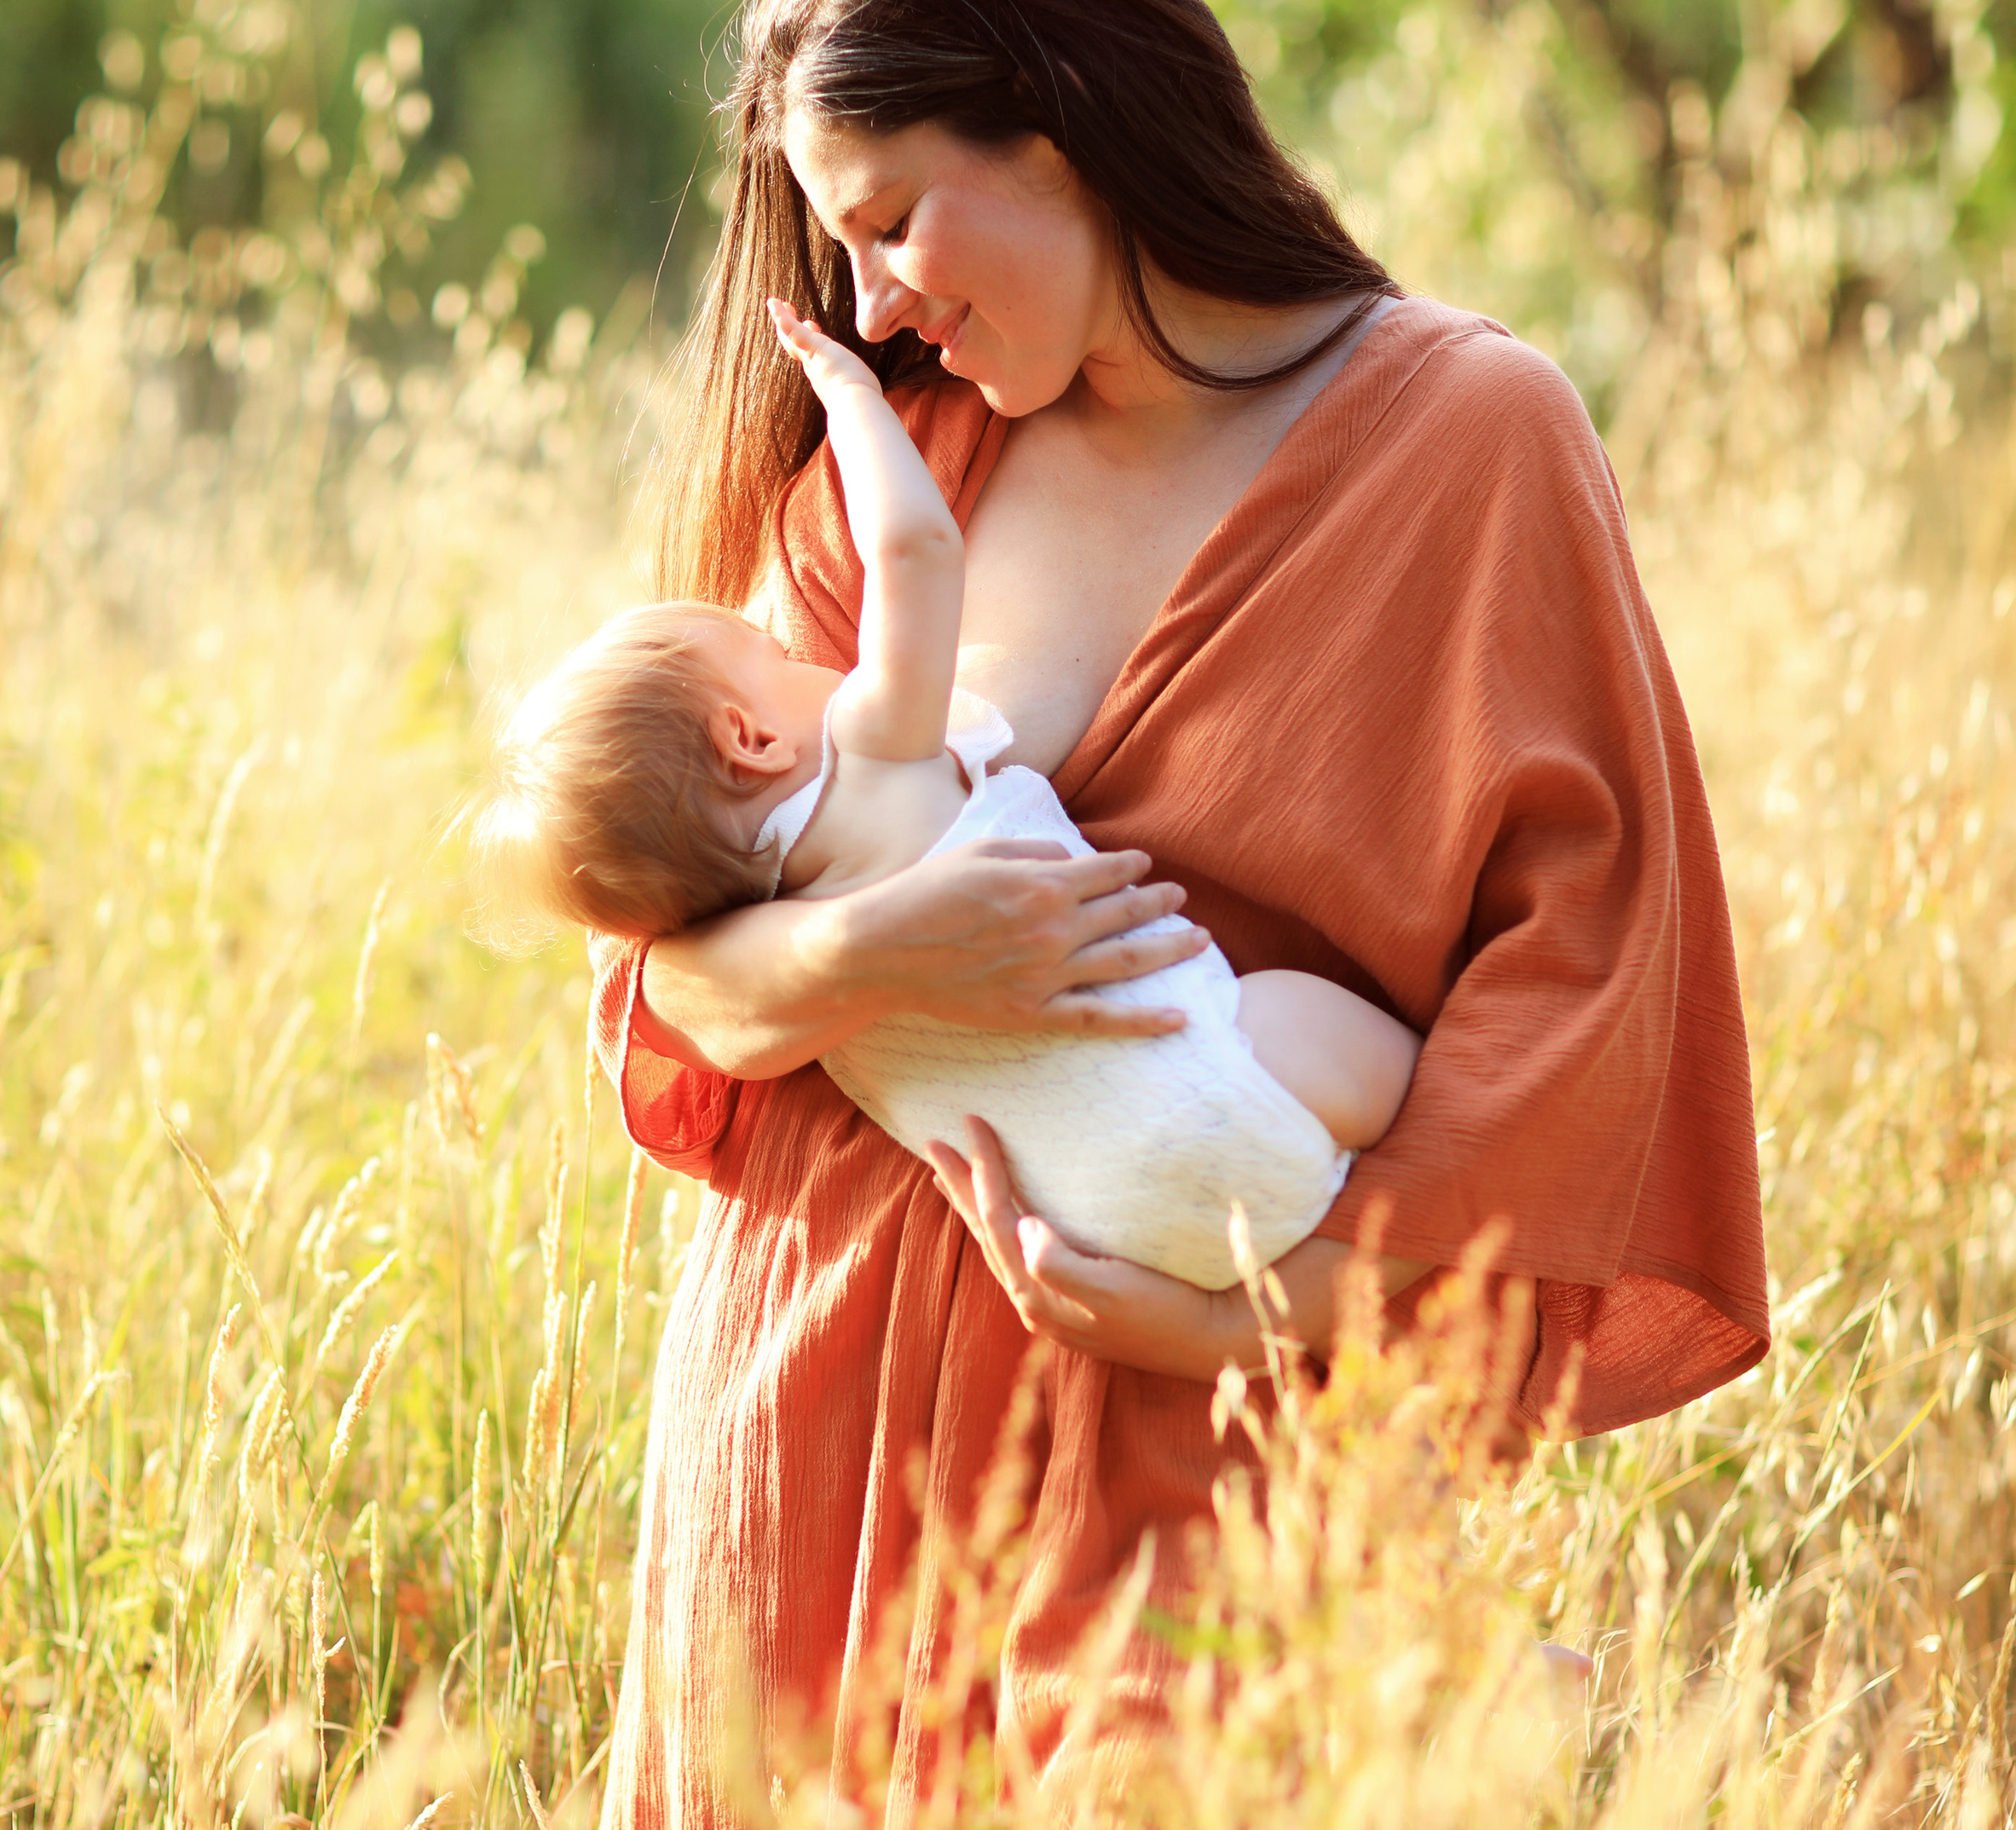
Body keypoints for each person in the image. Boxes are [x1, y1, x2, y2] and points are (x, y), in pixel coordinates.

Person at [563, 0, 1769, 1830]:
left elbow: (1576, 1016)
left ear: (1064, 107)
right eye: (835, 242)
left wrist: (1242, 1317)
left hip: (1211, 1429)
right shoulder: (902, 452)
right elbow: (673, 991)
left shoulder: (1472, 446)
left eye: (899, 213)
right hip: (810, 1402)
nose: (873, 296)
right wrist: (872, 946)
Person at [466, 297, 1420, 1289]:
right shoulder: (871, 755)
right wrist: (851, 400)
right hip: (1221, 1080)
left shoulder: (780, 947)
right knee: (1366, 1049)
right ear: (748, 740)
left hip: (1103, 1221)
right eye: (769, 652)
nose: (801, 651)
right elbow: (915, 553)